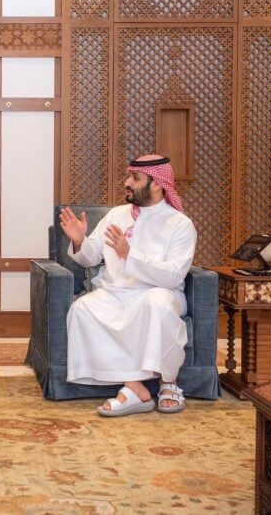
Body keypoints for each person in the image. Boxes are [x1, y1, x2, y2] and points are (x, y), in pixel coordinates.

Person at [59, 154, 196, 417]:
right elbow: (91, 257)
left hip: (159, 292)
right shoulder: (116, 215)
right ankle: (135, 387)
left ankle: (168, 382)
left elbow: (173, 276)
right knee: (82, 308)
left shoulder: (180, 225)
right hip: (115, 292)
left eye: (135, 178)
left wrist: (129, 254)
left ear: (157, 183)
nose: (127, 183)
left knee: (155, 305)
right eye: (129, 176)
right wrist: (79, 241)